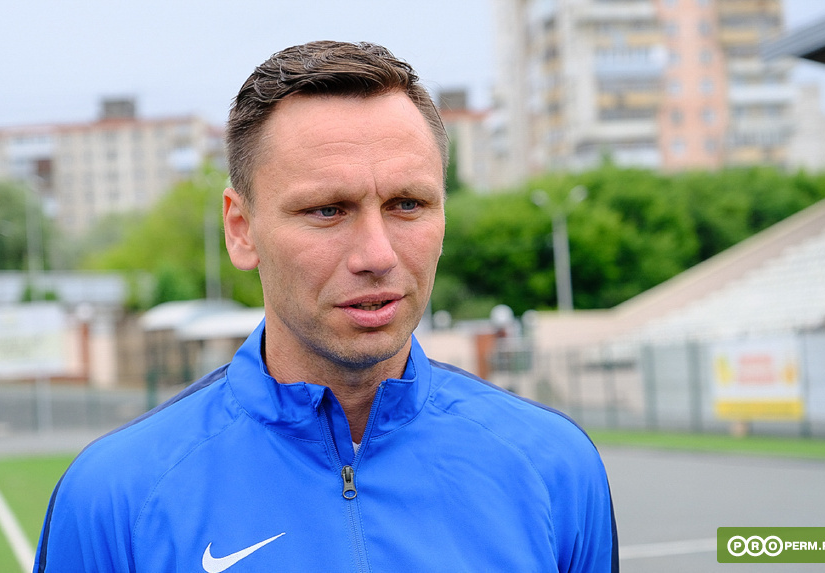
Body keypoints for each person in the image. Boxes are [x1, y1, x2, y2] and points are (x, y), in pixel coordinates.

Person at [34, 40, 618, 572]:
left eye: (407, 204)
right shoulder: (116, 497)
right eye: (327, 210)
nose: (377, 254)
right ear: (241, 229)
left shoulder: (555, 467)